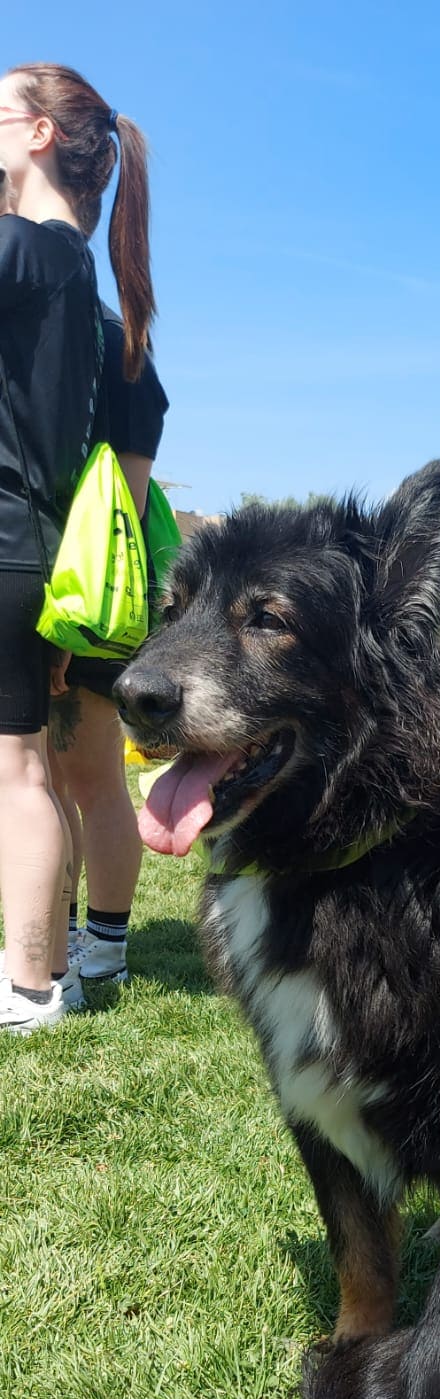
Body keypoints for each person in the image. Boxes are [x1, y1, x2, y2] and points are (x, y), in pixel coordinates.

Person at [0, 63, 154, 1033]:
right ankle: (73, 956)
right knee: (66, 773)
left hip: (19, 540)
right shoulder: (104, 309)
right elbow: (130, 481)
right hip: (79, 562)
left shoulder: (26, 254)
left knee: (25, 774)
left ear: (41, 136)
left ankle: (32, 982)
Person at [48, 300, 169, 998]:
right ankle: (79, 940)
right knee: (65, 781)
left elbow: (121, 495)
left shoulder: (96, 336)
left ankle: (99, 945)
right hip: (86, 580)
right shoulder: (112, 337)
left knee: (83, 779)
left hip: (86, 585)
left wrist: (69, 625)